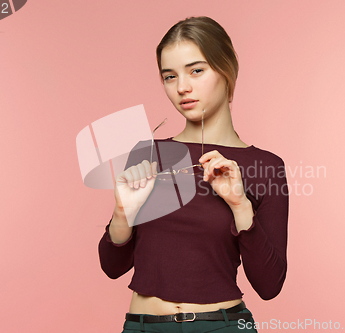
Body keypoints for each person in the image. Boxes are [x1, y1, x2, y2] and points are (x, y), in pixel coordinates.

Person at [98, 16, 289, 333]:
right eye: (169, 76)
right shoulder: (148, 154)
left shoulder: (265, 166)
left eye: (196, 70)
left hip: (221, 327)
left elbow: (269, 285)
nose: (181, 87)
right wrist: (122, 214)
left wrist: (240, 205)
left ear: (226, 70)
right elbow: (112, 267)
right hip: (143, 327)